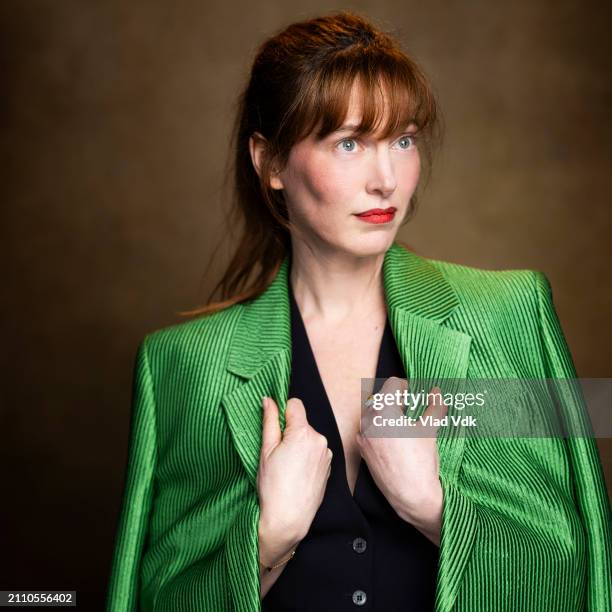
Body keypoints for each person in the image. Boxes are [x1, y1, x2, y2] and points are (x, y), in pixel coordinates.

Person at [105, 10, 611, 612]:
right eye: (349, 142)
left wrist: (434, 506)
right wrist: (268, 539)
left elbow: (578, 574)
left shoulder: (508, 315)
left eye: (403, 140)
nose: (387, 179)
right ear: (269, 163)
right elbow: (148, 598)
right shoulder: (180, 366)